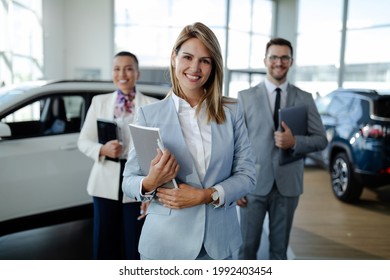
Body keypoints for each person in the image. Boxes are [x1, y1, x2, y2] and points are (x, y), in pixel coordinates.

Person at [122, 22, 256, 260]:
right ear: (174, 58)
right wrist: (151, 181)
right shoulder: (149, 115)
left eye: (205, 60)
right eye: (188, 57)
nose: (195, 67)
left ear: (214, 66)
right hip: (165, 244)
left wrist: (207, 195)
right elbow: (128, 181)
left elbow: (247, 175)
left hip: (218, 244)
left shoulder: (232, 111)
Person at [236, 38, 328, 260]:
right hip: (253, 185)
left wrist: (295, 142)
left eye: (284, 57)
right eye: (274, 57)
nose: (279, 62)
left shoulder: (304, 98)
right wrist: (235, 185)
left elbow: (321, 140)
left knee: (279, 251)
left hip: (288, 186)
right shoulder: (245, 97)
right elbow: (235, 144)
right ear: (265, 60)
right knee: (246, 249)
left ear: (291, 61)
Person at [78, 51, 159, 259]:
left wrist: (152, 192)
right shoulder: (99, 102)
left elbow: (158, 150)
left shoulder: (152, 105)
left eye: (129, 68)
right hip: (104, 180)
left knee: (135, 242)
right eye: (117, 68)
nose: (122, 74)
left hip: (139, 182)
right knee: (104, 242)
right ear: (112, 72)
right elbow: (83, 140)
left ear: (137, 74)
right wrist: (102, 150)